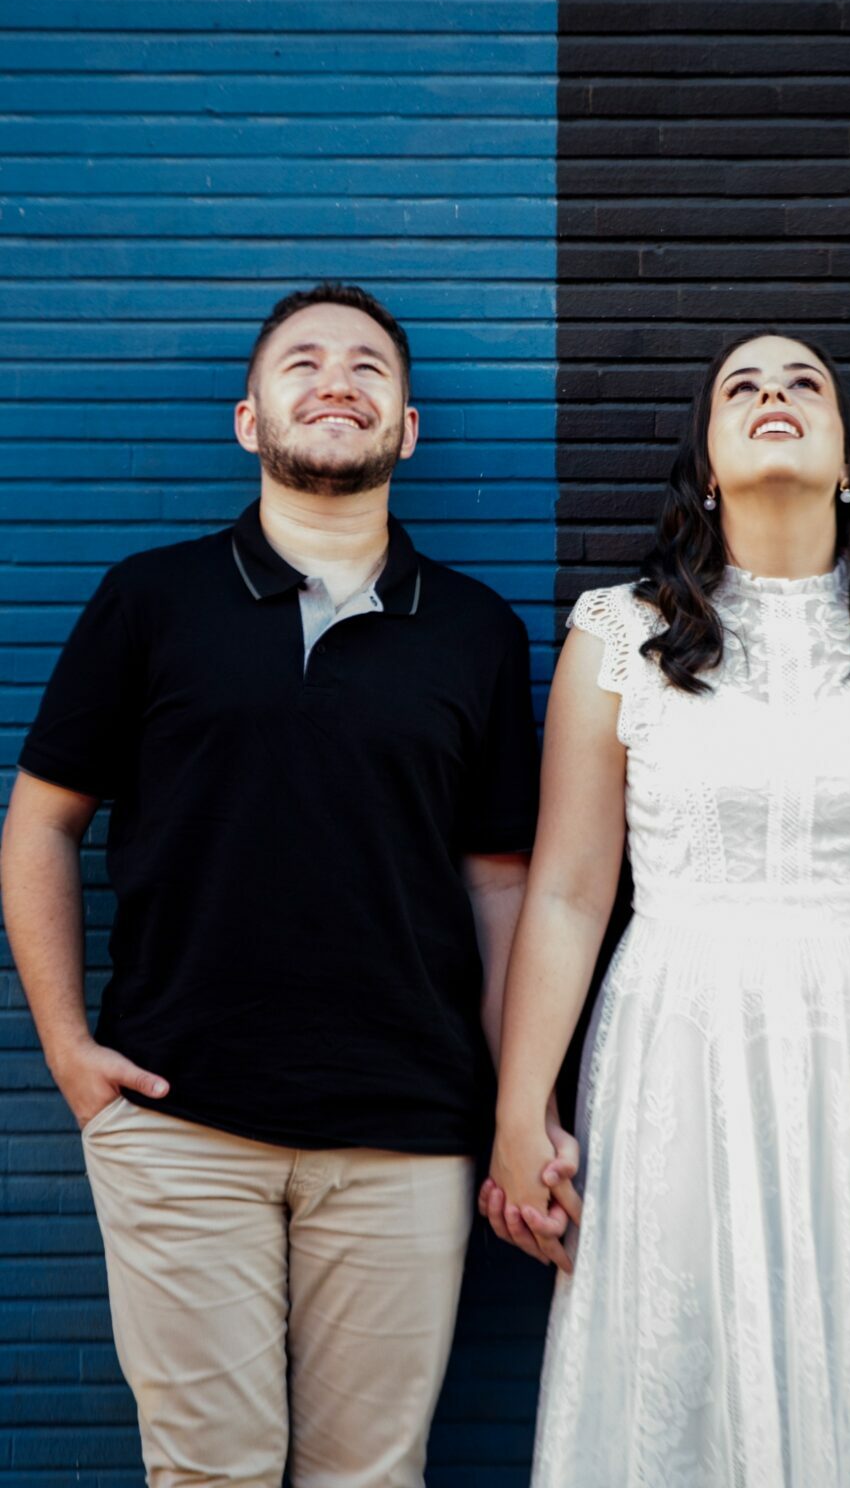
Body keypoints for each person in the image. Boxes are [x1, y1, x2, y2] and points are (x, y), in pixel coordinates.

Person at [1, 281, 576, 1488]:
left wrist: (515, 1109)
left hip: (405, 1136)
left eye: (368, 367)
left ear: (406, 430)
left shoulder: (474, 630)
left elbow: (500, 890)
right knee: (209, 1472)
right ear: (247, 420)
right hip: (178, 1122)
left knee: (369, 1475)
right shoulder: (149, 599)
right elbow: (42, 823)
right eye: (301, 362)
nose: (335, 381)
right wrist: (67, 1049)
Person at [482, 330, 850, 1486]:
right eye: (741, 385)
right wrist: (519, 1108)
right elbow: (569, 894)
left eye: (801, 384)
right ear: (704, 465)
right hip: (679, 1047)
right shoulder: (618, 635)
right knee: (686, 1363)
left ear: (845, 461)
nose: (771, 394)